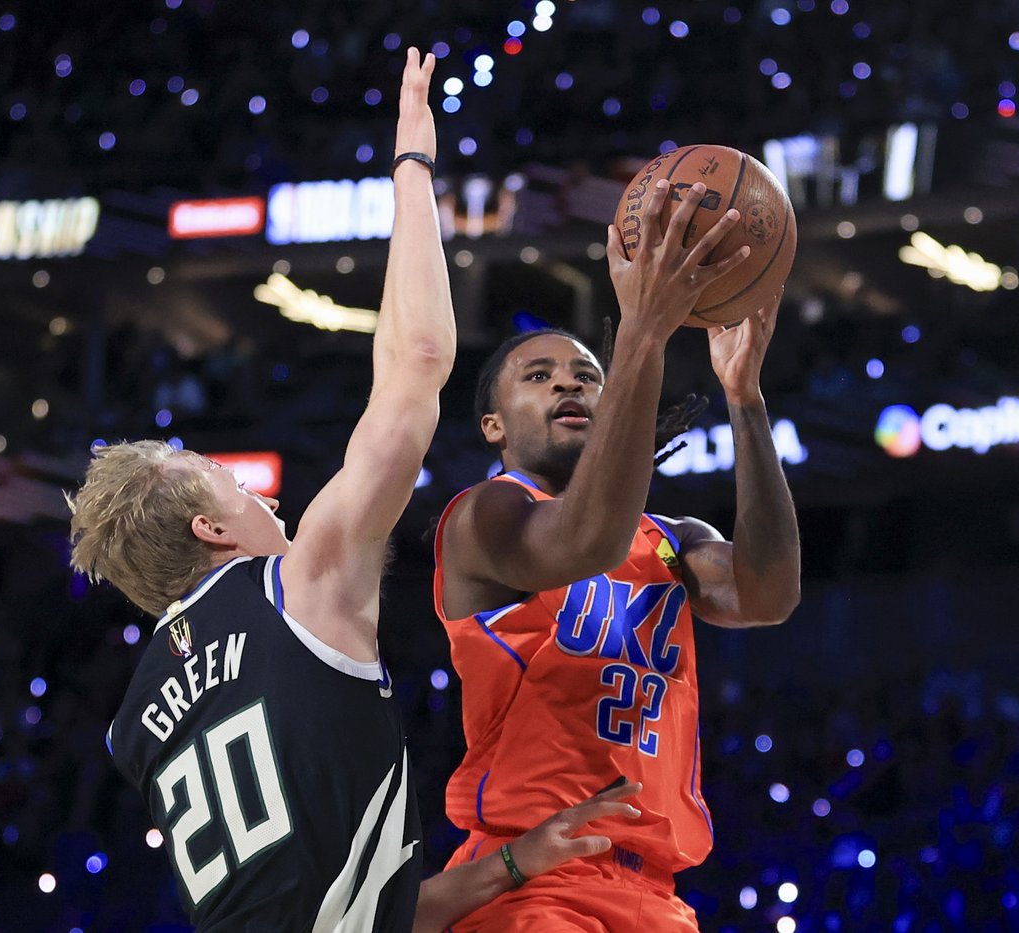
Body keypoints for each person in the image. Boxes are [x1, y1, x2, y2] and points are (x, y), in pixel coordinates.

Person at [68, 49, 642, 933]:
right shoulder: (295, 589)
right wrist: (412, 167)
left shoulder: (138, 722)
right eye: (236, 487)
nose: (269, 503)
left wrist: (513, 862)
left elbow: (353, 910)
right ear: (211, 528)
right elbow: (418, 363)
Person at [433, 180, 803, 930]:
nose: (568, 382)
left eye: (587, 376)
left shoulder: (673, 539)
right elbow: (585, 541)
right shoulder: (485, 515)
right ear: (494, 425)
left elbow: (770, 596)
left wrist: (746, 400)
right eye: (538, 376)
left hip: (657, 896)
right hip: (531, 881)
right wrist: (643, 330)